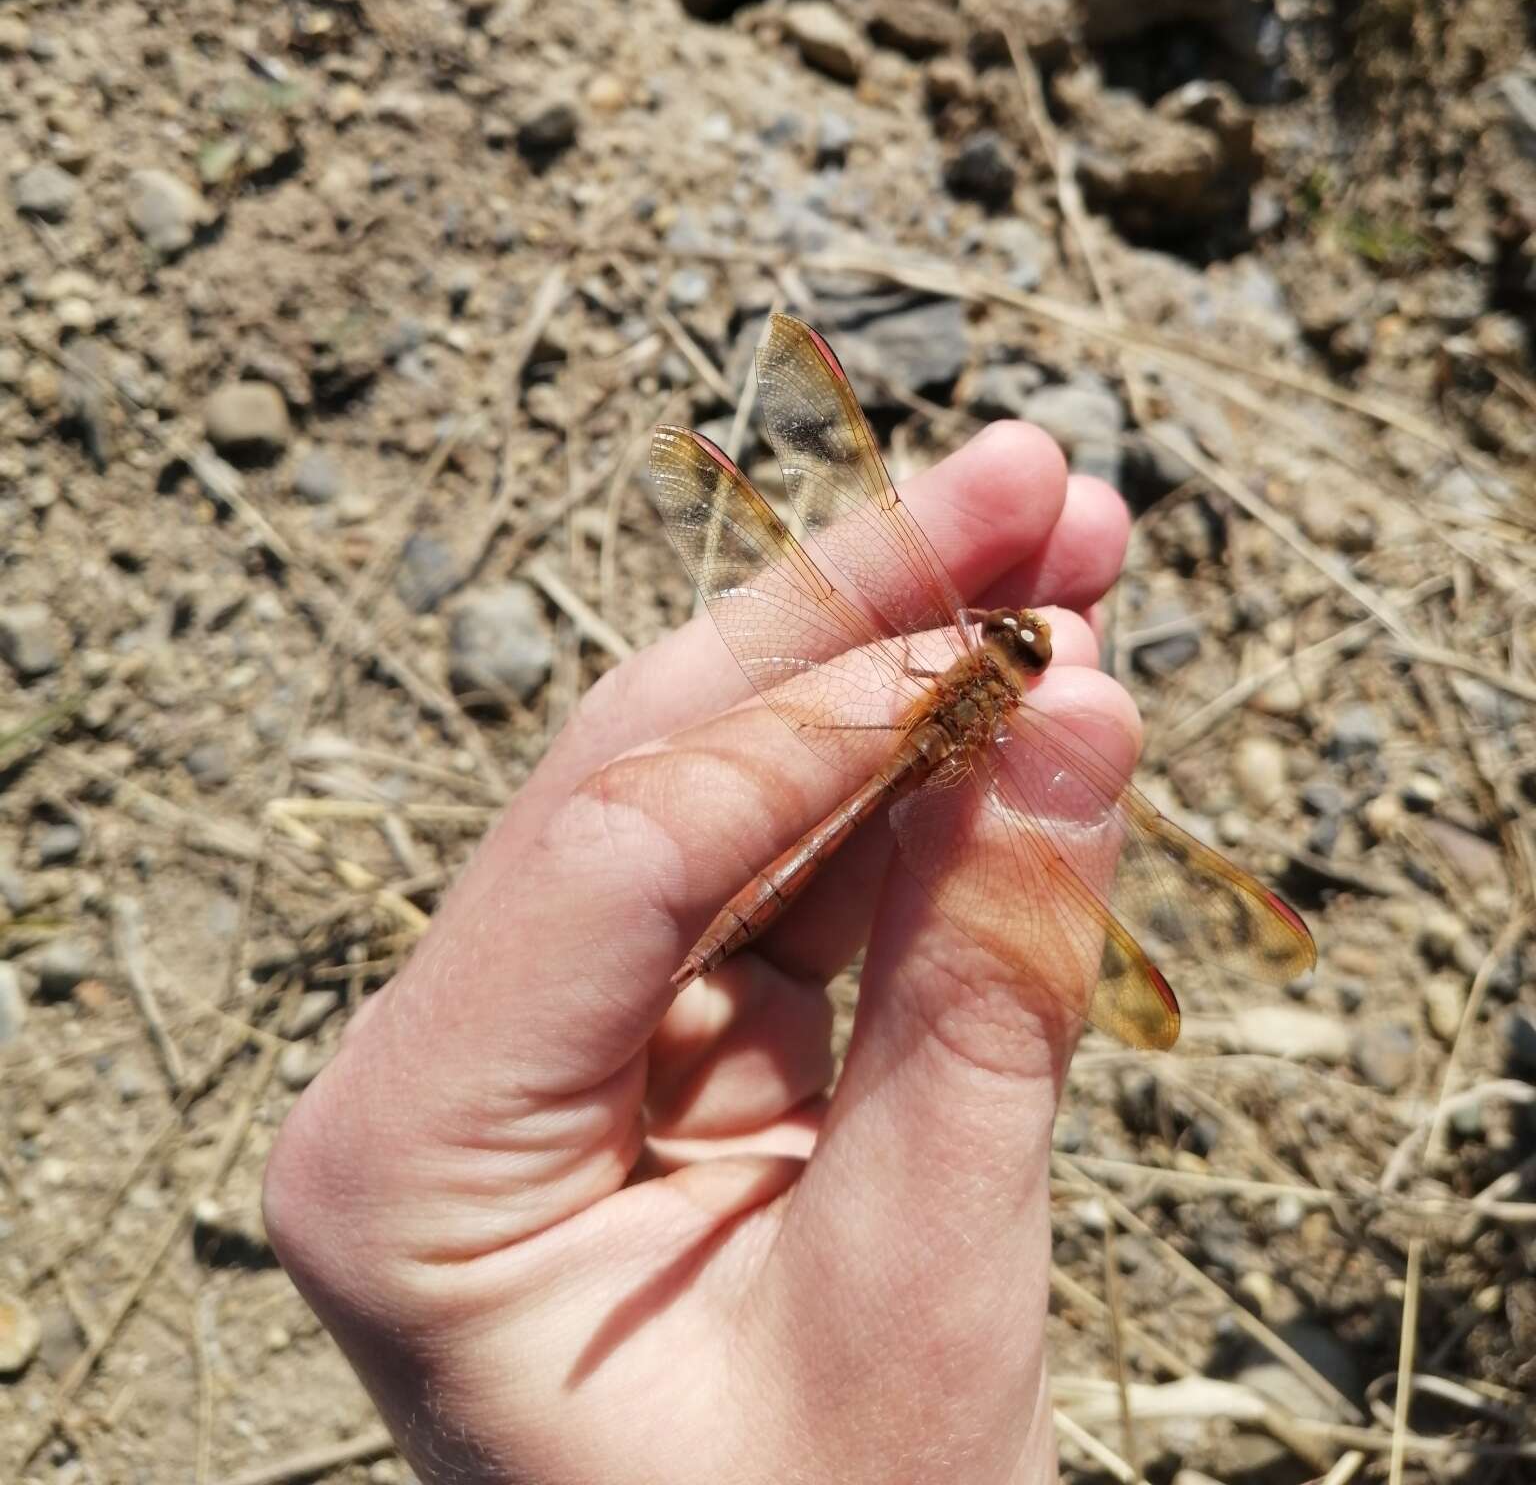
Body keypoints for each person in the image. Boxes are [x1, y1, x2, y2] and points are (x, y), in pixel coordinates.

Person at [263, 419, 1136, 1483]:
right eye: (1016, 636)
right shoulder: (1004, 721)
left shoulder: (937, 660)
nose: (1017, 639)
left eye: (1019, 640)